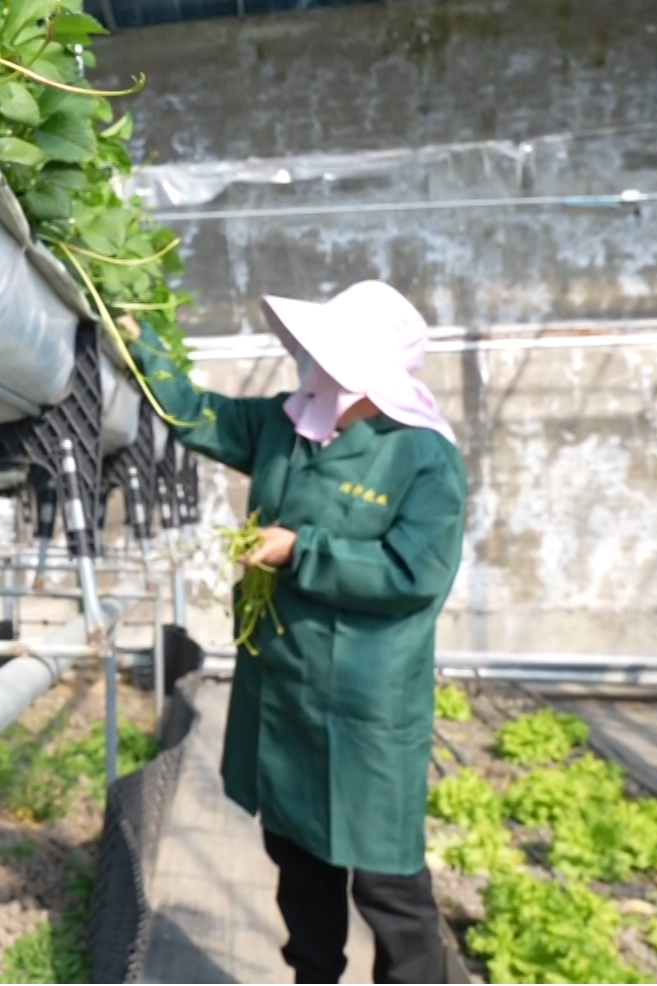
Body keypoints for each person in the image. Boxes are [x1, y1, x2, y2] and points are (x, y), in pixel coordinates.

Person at [129, 281, 466, 985]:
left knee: (385, 882)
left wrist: (298, 551)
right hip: (284, 689)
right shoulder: (285, 424)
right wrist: (140, 344)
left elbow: (413, 574)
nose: (312, 364)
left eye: (330, 353)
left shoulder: (421, 456)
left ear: (367, 369)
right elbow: (194, 414)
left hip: (364, 705)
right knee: (297, 858)